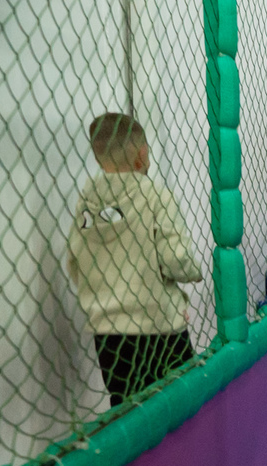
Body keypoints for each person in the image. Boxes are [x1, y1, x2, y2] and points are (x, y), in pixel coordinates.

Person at [67, 112, 202, 408]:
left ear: (99, 160)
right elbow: (175, 258)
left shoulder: (86, 201)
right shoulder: (155, 196)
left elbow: (75, 262)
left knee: (127, 408)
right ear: (142, 156)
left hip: (108, 335)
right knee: (183, 399)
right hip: (158, 326)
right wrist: (194, 273)